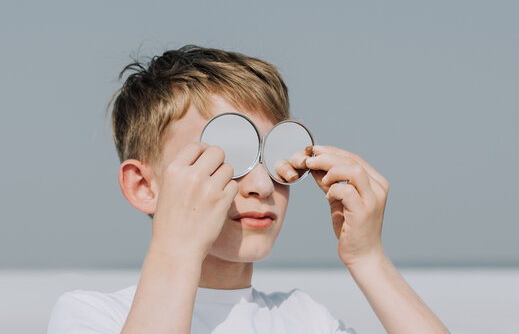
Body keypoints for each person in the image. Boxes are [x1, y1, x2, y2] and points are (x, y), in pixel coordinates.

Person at [47, 45, 450, 333]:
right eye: (227, 159)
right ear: (143, 186)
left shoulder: (306, 319)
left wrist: (369, 259)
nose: (260, 185)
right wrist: (176, 251)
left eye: (277, 156)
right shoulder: (94, 315)